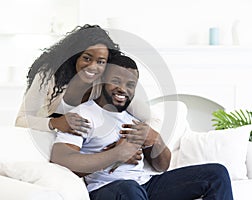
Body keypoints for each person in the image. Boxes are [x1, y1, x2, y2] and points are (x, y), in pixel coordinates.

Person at [51, 55, 233, 200]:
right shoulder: (83, 115)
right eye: (116, 80)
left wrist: (155, 139)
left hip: (143, 186)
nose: (123, 89)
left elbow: (162, 166)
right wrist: (116, 154)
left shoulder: (133, 117)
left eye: (130, 85)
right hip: (106, 189)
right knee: (128, 188)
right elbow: (63, 161)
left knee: (216, 174)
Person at [15, 24, 122, 135]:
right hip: (46, 141)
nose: (93, 67)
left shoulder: (105, 81)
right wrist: (54, 123)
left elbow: (135, 111)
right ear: (75, 56)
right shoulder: (48, 75)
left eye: (100, 62)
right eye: (87, 58)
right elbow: (21, 120)